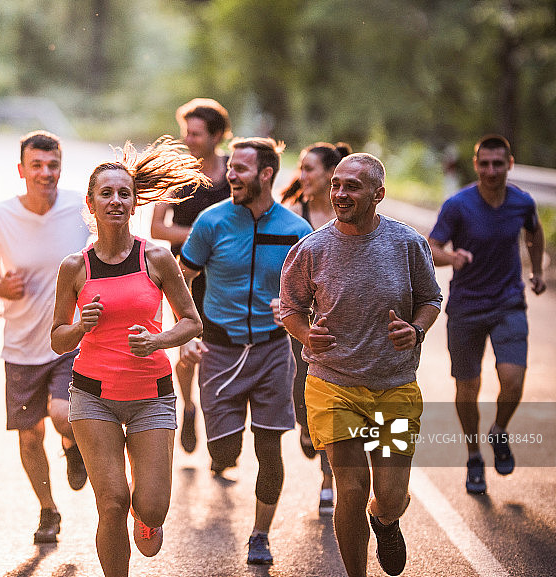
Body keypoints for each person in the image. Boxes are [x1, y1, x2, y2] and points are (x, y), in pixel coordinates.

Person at [280, 153, 442, 577]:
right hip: (333, 382)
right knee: (350, 490)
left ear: (378, 194)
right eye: (336, 184)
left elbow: (431, 299)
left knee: (389, 495)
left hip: (393, 384)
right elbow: (292, 309)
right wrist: (304, 333)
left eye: (352, 186)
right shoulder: (311, 249)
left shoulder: (407, 244)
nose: (340, 194)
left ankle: (386, 521)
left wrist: (417, 329)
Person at [51, 136, 204, 577]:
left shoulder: (156, 258)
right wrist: (81, 326)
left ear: (134, 202)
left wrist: (157, 341)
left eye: (124, 193)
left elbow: (191, 321)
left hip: (151, 394)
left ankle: (148, 517)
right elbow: (57, 339)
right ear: (92, 203)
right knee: (112, 501)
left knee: (151, 508)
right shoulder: (74, 267)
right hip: (93, 394)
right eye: (107, 193)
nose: (116, 200)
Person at [179, 137, 313, 565]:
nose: (229, 175)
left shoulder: (296, 231)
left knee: (269, 449)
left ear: (266, 174)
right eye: (231, 167)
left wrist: (295, 307)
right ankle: (217, 449)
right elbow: (180, 276)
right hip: (219, 351)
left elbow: (318, 292)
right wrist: (186, 332)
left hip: (273, 352)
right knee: (224, 451)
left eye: (240, 169)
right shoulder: (210, 222)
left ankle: (260, 534)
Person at [0, 130, 90, 544]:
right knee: (29, 435)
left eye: (52, 164)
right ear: (21, 170)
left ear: (61, 167)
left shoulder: (80, 207)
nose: (45, 173)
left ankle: (73, 445)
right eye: (36, 165)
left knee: (62, 414)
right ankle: (48, 510)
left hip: (69, 339)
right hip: (21, 346)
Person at [428, 134, 547, 495]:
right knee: (468, 387)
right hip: (466, 307)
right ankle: (474, 456)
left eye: (498, 163)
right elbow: (431, 248)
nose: (491, 170)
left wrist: (538, 270)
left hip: (509, 302)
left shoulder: (521, 202)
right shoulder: (458, 205)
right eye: (484, 163)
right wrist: (453, 258)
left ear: (509, 164)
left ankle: (498, 430)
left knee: (512, 380)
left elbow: (534, 232)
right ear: (476, 164)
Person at [150, 98, 232, 453]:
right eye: (187, 132)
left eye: (196, 133)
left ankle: (218, 431)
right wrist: (205, 235)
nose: (189, 139)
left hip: (229, 275)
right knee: (186, 344)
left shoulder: (235, 171)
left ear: (217, 136)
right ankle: (187, 404)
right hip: (183, 274)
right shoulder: (176, 171)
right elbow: (157, 227)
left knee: (219, 349)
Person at [279, 141, 351, 516]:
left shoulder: (352, 216)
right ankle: (306, 429)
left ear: (330, 175)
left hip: (345, 326)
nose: (302, 176)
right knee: (301, 397)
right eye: (301, 169)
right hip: (303, 323)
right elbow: (279, 268)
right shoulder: (293, 217)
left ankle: (329, 480)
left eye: (309, 169)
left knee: (334, 402)